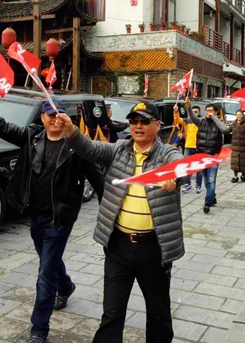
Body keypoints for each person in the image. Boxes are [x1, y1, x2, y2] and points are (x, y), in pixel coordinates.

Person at [0, 91, 103, 343]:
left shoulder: (77, 146)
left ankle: (39, 329)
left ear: (66, 118)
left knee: (45, 272)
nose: (55, 119)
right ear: (43, 118)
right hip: (36, 215)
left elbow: (98, 179)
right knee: (49, 259)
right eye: (50, 115)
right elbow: (3, 127)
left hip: (60, 218)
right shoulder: (32, 137)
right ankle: (66, 286)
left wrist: (110, 212)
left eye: (59, 115)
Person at [57, 101, 186, 343]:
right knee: (112, 313)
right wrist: (71, 131)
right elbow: (90, 148)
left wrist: (174, 176)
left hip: (154, 249)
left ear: (157, 125)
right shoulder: (118, 151)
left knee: (158, 313)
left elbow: (180, 164)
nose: (138, 126)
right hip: (118, 247)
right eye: (134, 121)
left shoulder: (166, 153)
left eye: (144, 121)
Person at [184, 98, 229, 213]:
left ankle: (207, 203)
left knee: (211, 180)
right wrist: (189, 107)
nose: (208, 112)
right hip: (201, 157)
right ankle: (212, 198)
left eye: (211, 110)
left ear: (216, 112)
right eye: (207, 110)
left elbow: (225, 130)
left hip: (213, 157)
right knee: (206, 180)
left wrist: (214, 118)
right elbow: (192, 117)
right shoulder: (201, 122)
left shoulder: (218, 123)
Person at [174, 105, 203, 194]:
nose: (193, 113)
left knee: (199, 168)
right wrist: (176, 111)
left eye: (195, 112)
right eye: (192, 112)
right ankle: (187, 184)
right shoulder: (187, 121)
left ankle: (198, 185)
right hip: (188, 146)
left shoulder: (202, 121)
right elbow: (177, 120)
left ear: (199, 112)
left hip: (199, 147)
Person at [229, 110, 245, 183]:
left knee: (243, 162)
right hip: (235, 147)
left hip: (243, 147)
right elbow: (227, 130)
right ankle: (235, 176)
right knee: (234, 162)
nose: (239, 116)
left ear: (243, 115)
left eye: (240, 115)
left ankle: (243, 175)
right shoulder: (234, 123)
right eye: (237, 115)